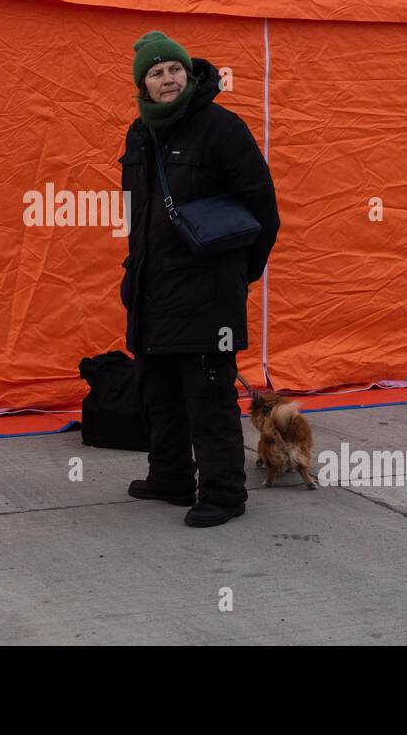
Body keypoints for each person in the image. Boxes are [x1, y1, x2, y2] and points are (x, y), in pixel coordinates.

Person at [119, 30, 280, 527]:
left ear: (189, 75)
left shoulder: (221, 128)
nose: (167, 78)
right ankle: (169, 476)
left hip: (209, 293)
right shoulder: (139, 134)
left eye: (174, 69)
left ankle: (224, 492)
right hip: (152, 291)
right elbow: (136, 216)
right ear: (143, 85)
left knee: (208, 396)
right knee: (159, 392)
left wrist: (236, 275)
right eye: (156, 72)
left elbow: (264, 210)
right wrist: (135, 277)